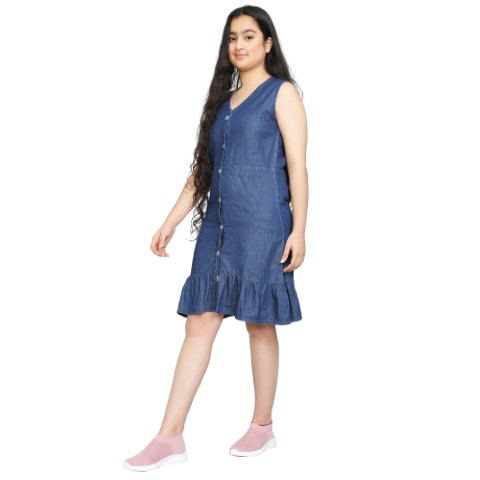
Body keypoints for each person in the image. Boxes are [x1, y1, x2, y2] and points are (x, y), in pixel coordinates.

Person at [123, 4, 308, 472]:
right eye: (232, 38)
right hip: (218, 227)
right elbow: (202, 173)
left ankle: (262, 426)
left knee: (258, 322)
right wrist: (169, 221)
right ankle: (169, 436)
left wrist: (300, 230)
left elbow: (298, 166)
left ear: (268, 43)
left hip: (264, 224)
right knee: (199, 322)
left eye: (248, 36)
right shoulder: (221, 103)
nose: (238, 45)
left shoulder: (283, 94)